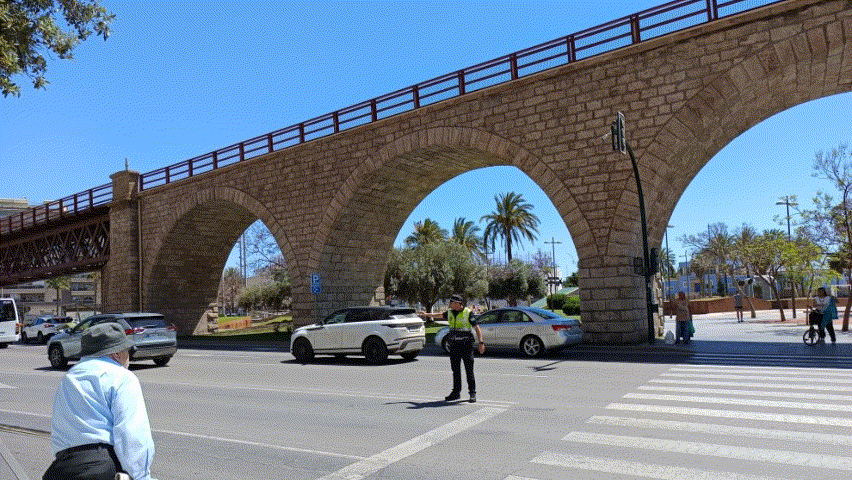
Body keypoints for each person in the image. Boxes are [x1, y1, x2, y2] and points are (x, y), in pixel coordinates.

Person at [44, 322, 156, 480]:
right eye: (127, 350)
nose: (129, 357)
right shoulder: (121, 377)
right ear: (116, 354)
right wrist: (141, 476)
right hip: (101, 467)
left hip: (62, 469)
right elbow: (131, 433)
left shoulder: (69, 378)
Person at [419, 294, 485, 403]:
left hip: (466, 345)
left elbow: (477, 328)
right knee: (455, 370)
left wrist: (481, 342)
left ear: (458, 303)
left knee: (469, 370)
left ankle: (472, 393)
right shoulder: (449, 312)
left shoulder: (468, 313)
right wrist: (426, 314)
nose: (450, 305)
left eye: (452, 303)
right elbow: (439, 315)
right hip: (454, 346)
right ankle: (456, 393)